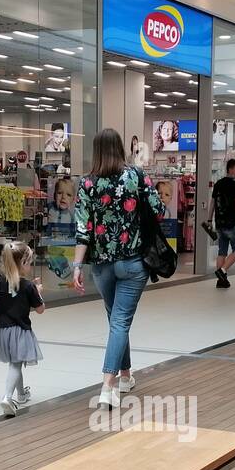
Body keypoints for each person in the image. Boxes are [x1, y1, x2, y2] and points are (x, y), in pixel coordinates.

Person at [71, 128, 166, 409]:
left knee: (115, 320)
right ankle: (108, 385)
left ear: (96, 150)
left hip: (102, 266)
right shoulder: (137, 176)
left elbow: (82, 228)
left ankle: (125, 376)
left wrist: (77, 266)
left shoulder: (87, 183)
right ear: (121, 147)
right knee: (120, 322)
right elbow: (159, 210)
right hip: (133, 263)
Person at [0, 241, 45, 416]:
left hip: (2, 331)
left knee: (15, 362)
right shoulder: (29, 286)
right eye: (30, 262)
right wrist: (39, 291)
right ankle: (7, 397)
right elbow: (41, 310)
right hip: (20, 330)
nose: (31, 265)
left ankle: (21, 393)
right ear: (23, 263)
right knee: (16, 364)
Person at [206, 158, 235, 289]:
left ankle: (221, 280)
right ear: (230, 169)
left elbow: (212, 202)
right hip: (231, 222)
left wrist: (209, 219)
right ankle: (222, 270)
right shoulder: (234, 185)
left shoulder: (218, 184)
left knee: (222, 251)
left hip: (219, 222)